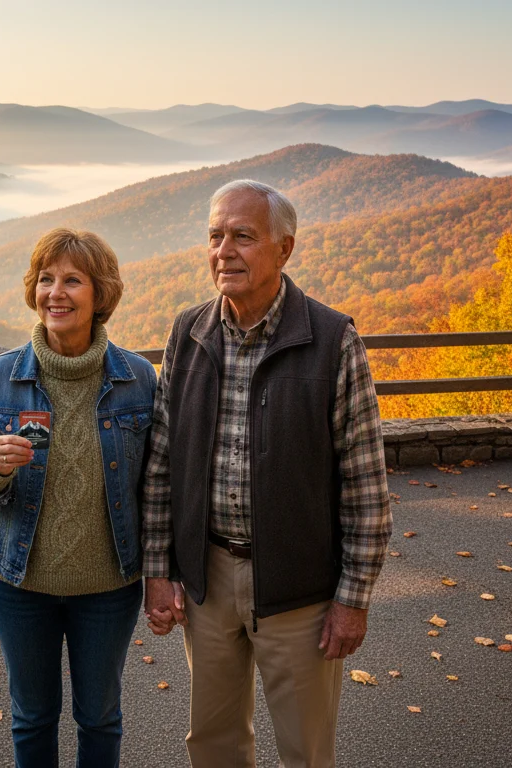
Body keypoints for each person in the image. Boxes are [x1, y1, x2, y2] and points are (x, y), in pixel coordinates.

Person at [141, 180, 393, 768]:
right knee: (213, 746)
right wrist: (158, 571)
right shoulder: (189, 332)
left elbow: (365, 485)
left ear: (285, 249)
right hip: (207, 579)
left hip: (299, 591)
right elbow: (161, 465)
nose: (224, 251)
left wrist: (352, 598)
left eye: (243, 237)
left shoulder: (332, 341)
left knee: (305, 752)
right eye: (215, 236)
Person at [0, 227, 157, 768]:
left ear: (101, 295)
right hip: (19, 585)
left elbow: (157, 488)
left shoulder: (139, 380)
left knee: (99, 718)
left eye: (72, 280)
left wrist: (165, 573)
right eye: (46, 279)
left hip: (109, 589)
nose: (56, 293)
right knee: (32, 718)